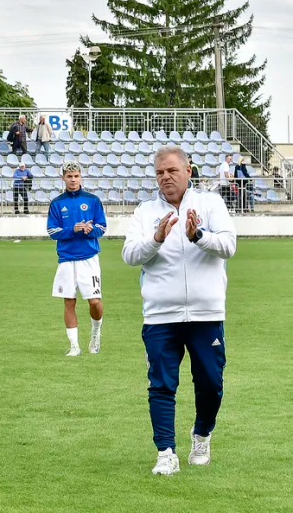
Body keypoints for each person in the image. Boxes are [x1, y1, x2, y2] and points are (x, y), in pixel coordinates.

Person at [122, 146, 236, 476]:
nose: (165, 177)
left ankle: (201, 434)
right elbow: (130, 254)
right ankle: (165, 452)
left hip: (206, 314)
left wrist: (198, 235)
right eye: (159, 172)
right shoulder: (146, 211)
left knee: (211, 384)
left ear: (188, 169)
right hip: (160, 315)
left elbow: (229, 245)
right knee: (160, 385)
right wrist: (156, 239)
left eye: (171, 170)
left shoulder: (210, 203)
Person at [46, 162, 107, 357]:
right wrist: (72, 230)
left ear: (81, 177)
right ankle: (74, 346)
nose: (73, 180)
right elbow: (52, 231)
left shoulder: (93, 200)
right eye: (69, 176)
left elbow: (103, 227)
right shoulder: (57, 203)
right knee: (69, 302)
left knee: (95, 302)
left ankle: (95, 333)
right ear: (63, 178)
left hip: (89, 258)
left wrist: (92, 230)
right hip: (66, 259)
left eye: (76, 176)